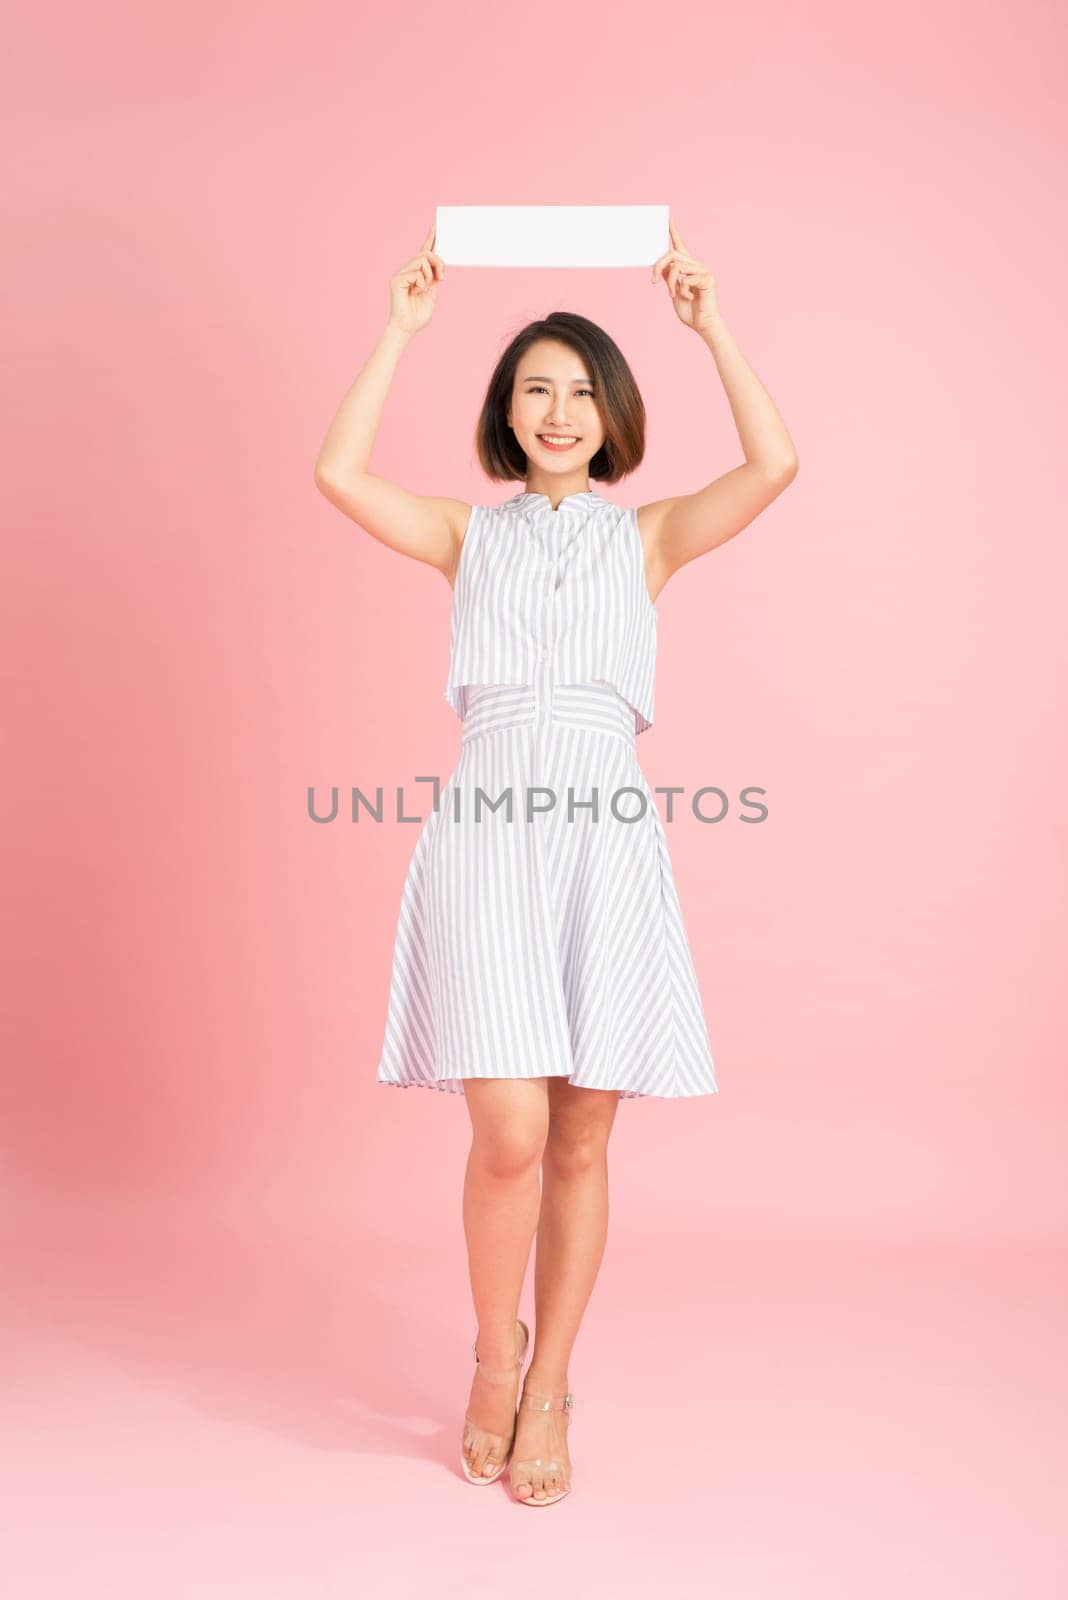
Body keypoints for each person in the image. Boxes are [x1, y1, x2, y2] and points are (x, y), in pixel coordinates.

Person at [314, 217, 798, 1506]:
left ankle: (552, 1387)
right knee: (512, 1130)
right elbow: (337, 474)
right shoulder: (467, 537)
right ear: (505, 411)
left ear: (614, 410)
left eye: (582, 390)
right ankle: (491, 1357)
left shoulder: (646, 539)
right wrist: (399, 330)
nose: (560, 409)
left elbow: (777, 463)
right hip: (487, 837)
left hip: (606, 843)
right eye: (536, 388)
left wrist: (711, 326)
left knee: (583, 1139)